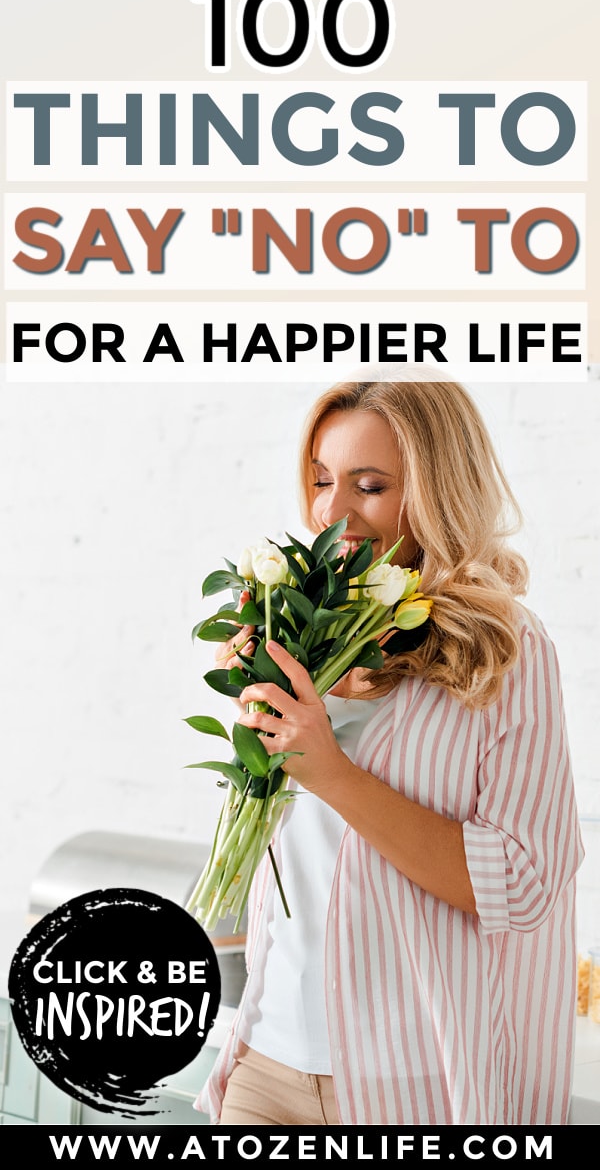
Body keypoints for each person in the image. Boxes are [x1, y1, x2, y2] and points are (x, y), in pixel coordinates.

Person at [195, 380, 584, 1126]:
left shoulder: (505, 651)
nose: (332, 513)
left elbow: (525, 880)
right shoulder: (307, 632)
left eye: (370, 487)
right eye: (321, 481)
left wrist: (332, 774)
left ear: (436, 491)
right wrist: (255, 724)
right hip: (267, 1066)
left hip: (407, 1082)